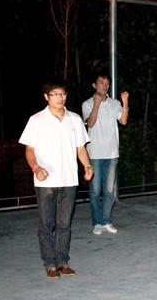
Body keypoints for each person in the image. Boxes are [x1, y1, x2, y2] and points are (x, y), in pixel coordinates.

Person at [19, 79, 93, 279]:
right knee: (46, 224)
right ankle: (50, 263)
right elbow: (29, 150)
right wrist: (35, 167)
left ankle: (62, 261)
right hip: (46, 181)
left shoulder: (74, 119)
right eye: (55, 94)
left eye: (63, 94)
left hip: (69, 179)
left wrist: (87, 166)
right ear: (46, 97)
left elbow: (81, 148)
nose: (60, 98)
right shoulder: (37, 120)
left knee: (64, 224)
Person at [82, 73, 129, 236]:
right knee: (95, 191)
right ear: (94, 85)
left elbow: (123, 121)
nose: (105, 85)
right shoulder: (87, 103)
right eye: (101, 83)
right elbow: (90, 123)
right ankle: (97, 222)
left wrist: (125, 102)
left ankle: (107, 220)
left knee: (109, 191)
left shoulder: (114, 103)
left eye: (107, 83)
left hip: (112, 153)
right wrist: (96, 104)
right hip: (95, 153)